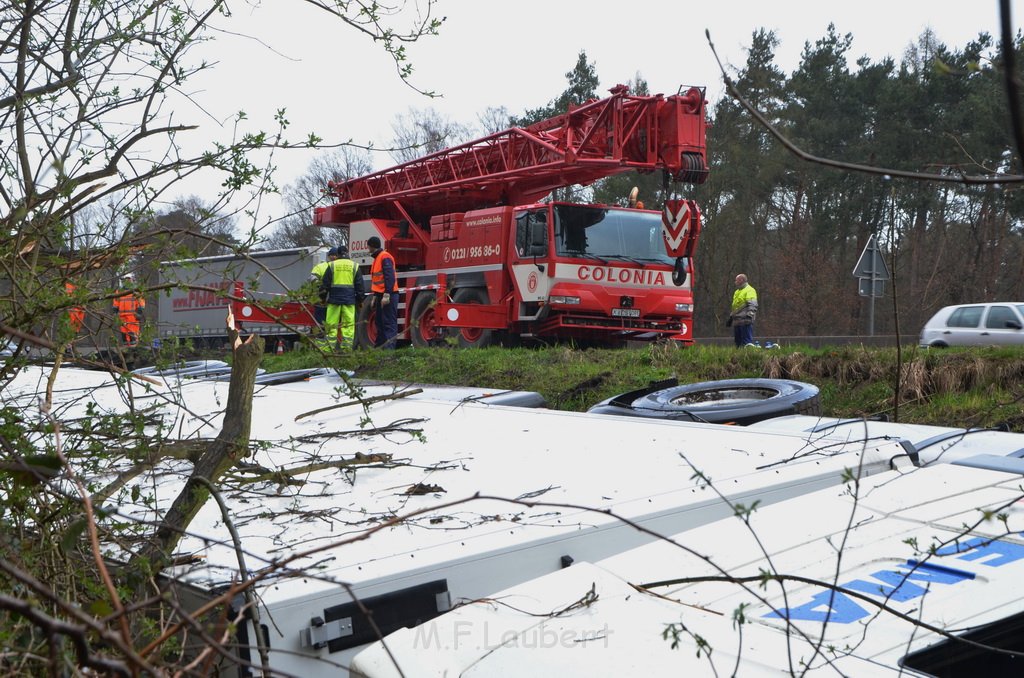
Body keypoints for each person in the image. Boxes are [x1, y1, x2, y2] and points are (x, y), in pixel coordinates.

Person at [319, 245, 364, 351]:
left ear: (338, 254)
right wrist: (360, 300)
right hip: (349, 301)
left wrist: (322, 298)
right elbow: (359, 285)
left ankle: (329, 350)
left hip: (334, 301)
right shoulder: (355, 266)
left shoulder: (332, 266)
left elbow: (325, 285)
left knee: (331, 325)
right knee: (348, 326)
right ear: (347, 253)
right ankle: (347, 349)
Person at [367, 235, 399, 349]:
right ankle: (380, 349)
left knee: (388, 323)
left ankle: (389, 351)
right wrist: (376, 296)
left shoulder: (384, 257)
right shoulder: (378, 258)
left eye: (368, 247)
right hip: (382, 295)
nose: (368, 249)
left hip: (388, 295)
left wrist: (387, 294)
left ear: (372, 246)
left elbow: (389, 277)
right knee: (380, 322)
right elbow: (378, 280)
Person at [113, 274, 145, 347]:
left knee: (132, 333)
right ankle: (126, 349)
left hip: (133, 316)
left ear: (132, 280)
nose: (127, 281)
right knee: (124, 334)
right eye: (126, 280)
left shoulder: (137, 291)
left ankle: (134, 349)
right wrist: (115, 312)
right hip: (122, 316)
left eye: (129, 279)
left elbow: (141, 304)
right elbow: (115, 303)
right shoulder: (119, 292)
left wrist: (139, 313)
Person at [310, 247, 338, 330]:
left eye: (335, 255)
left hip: (332, 298)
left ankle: (324, 337)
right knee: (321, 321)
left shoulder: (338, 267)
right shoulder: (321, 266)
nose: (333, 257)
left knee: (329, 321)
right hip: (322, 298)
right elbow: (312, 278)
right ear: (328, 256)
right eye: (332, 255)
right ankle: (321, 338)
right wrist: (320, 288)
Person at [728, 273, 758, 347]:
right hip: (737, 321)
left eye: (736, 280)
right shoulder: (737, 292)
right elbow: (736, 306)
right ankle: (739, 357)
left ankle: (748, 356)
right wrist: (731, 317)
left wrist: (750, 315)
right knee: (738, 343)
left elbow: (753, 304)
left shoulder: (750, 290)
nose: (735, 282)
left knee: (746, 342)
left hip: (745, 320)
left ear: (741, 280)